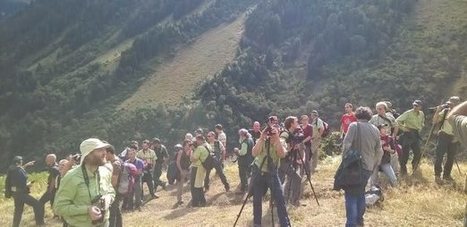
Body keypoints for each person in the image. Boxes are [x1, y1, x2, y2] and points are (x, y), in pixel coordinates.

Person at [54, 138, 115, 227]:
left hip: (104, 223)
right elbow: (59, 208)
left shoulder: (105, 172)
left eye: (104, 149)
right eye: (99, 150)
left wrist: (108, 199)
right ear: (88, 154)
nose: (105, 153)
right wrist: (87, 210)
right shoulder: (71, 177)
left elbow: (111, 192)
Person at [342, 107, 383, 227]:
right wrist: (374, 164)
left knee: (350, 194)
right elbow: (379, 150)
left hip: (354, 166)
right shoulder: (375, 129)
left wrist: (344, 162)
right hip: (368, 167)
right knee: (360, 192)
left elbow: (346, 145)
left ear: (357, 115)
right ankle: (360, 220)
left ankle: (351, 223)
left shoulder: (354, 126)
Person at [251, 117, 290, 226]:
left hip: (272, 173)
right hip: (259, 171)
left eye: (274, 132)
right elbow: (254, 153)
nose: (271, 134)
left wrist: (276, 139)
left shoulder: (281, 141)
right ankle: (257, 224)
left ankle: (284, 224)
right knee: (257, 201)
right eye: (270, 133)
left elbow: (282, 154)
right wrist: (261, 138)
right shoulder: (263, 140)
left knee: (280, 199)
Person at [5, 156, 45, 227]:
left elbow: (19, 170)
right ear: (17, 162)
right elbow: (21, 182)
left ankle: (15, 225)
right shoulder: (17, 171)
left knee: (18, 211)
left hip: (15, 193)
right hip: (21, 193)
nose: (22, 162)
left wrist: (26, 165)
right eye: (21, 161)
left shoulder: (12, 169)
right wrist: (28, 185)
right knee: (37, 204)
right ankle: (40, 223)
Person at [433, 96, 461, 183]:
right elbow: (435, 121)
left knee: (450, 158)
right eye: (449, 104)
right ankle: (437, 175)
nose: (450, 106)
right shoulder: (445, 111)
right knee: (439, 156)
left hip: (454, 138)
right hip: (443, 135)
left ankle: (446, 175)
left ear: (457, 104)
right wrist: (438, 111)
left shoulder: (461, 113)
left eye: (452, 104)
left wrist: (457, 137)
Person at [396, 100, 425, 175]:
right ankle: (403, 170)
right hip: (408, 134)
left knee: (418, 152)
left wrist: (420, 127)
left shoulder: (421, 114)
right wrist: (404, 128)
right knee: (405, 153)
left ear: (420, 107)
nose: (415, 107)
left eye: (417, 106)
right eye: (414, 105)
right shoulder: (408, 113)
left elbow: (422, 122)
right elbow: (397, 121)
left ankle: (415, 167)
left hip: (416, 133)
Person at [369, 101, 400, 174]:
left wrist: (393, 136)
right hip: (377, 140)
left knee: (394, 155)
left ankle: (395, 172)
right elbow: (369, 127)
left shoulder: (390, 117)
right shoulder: (373, 118)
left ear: (385, 109)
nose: (379, 110)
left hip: (388, 140)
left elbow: (396, 126)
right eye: (377, 109)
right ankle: (375, 173)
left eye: (380, 109)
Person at [281, 116, 304, 206]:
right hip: (282, 161)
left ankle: (281, 201)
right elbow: (281, 141)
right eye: (296, 121)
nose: (298, 123)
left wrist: (293, 147)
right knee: (296, 178)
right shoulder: (285, 133)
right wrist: (289, 148)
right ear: (291, 124)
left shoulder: (291, 133)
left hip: (286, 160)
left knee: (281, 181)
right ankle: (294, 201)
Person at [105, 145, 123, 227]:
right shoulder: (113, 162)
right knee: (117, 211)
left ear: (109, 153)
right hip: (116, 190)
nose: (104, 156)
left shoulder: (115, 164)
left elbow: (114, 182)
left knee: (112, 213)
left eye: (105, 154)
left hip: (115, 190)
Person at [190, 135, 210, 207]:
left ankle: (196, 203)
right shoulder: (208, 145)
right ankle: (202, 201)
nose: (196, 142)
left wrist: (193, 150)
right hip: (203, 167)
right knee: (200, 185)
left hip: (197, 167)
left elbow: (193, 159)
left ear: (200, 140)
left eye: (197, 140)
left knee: (195, 186)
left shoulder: (200, 148)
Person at [124, 145, 144, 212]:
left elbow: (139, 172)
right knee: (130, 194)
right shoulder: (126, 162)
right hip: (129, 181)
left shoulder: (140, 162)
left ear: (135, 154)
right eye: (129, 154)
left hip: (137, 180)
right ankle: (130, 207)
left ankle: (138, 206)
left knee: (138, 194)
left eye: (132, 154)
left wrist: (131, 172)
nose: (130, 155)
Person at [235, 129, 254, 193]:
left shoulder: (245, 143)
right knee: (249, 174)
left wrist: (237, 150)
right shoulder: (250, 139)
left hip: (243, 161)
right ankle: (249, 189)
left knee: (243, 175)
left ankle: (243, 190)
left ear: (242, 135)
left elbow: (242, 153)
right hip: (250, 160)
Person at [176, 140, 192, 205]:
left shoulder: (190, 151)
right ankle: (179, 199)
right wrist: (180, 170)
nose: (190, 145)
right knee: (180, 185)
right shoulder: (181, 151)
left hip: (188, 169)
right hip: (182, 169)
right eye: (189, 144)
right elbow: (178, 162)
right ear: (185, 144)